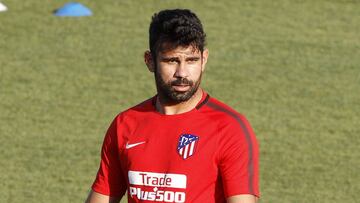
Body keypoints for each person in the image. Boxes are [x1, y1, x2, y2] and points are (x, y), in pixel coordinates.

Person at [86, 9, 259, 203]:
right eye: (172, 60)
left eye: (191, 60)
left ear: (204, 59)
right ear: (150, 61)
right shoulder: (125, 124)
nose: (182, 73)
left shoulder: (229, 128)